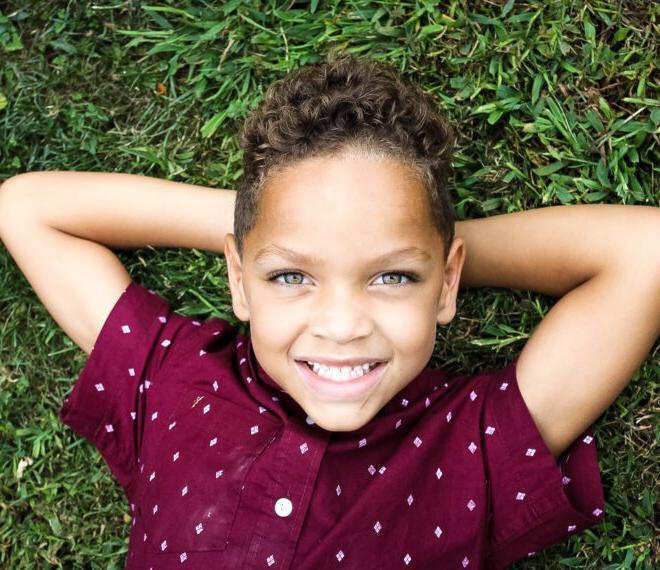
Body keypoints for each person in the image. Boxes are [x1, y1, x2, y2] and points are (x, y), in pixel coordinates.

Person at [0, 52, 658, 569]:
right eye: (290, 276)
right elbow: (23, 210)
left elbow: (647, 253)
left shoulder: (471, 447)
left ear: (447, 283)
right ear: (239, 277)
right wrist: (263, 228)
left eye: (392, 277)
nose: (342, 326)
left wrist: (422, 247)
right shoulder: (179, 378)